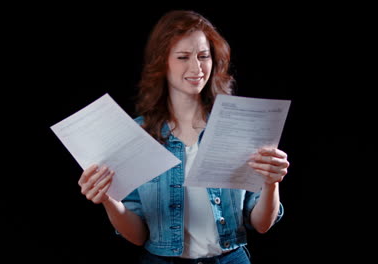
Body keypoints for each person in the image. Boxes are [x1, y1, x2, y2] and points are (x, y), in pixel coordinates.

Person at [78, 10, 290, 264]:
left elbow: (262, 224)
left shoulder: (240, 126)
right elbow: (137, 236)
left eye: (204, 56)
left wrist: (271, 182)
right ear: (161, 62)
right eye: (183, 57)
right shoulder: (138, 135)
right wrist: (108, 199)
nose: (197, 68)